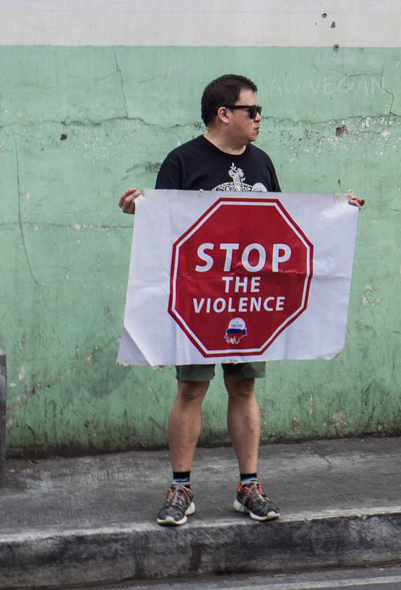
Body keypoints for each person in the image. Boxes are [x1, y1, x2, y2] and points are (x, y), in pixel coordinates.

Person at [118, 74, 362, 529]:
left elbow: (283, 226)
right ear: (224, 113)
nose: (259, 118)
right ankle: (181, 486)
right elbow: (163, 232)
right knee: (191, 388)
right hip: (197, 301)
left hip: (249, 301)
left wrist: (337, 211)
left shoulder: (262, 163)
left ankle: (248, 485)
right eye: (252, 110)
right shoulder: (182, 161)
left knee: (243, 387)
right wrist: (139, 209)